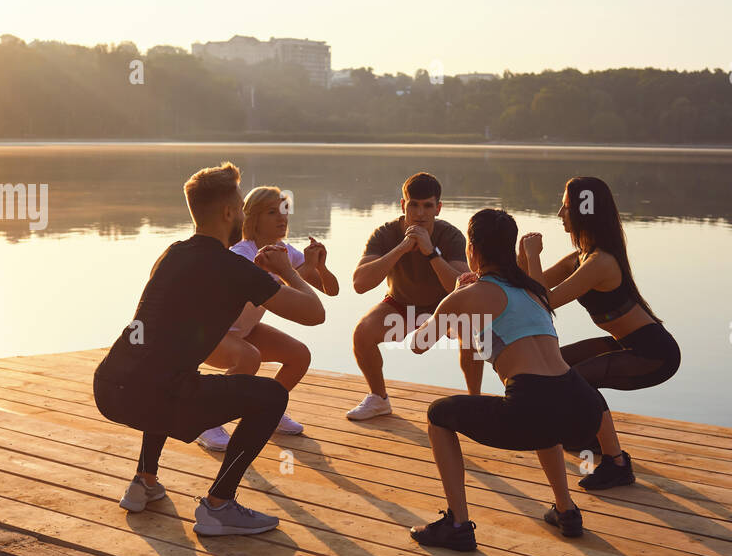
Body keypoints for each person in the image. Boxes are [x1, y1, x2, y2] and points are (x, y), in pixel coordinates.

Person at [92, 163, 325, 536]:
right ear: (229, 213)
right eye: (240, 207)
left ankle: (144, 481)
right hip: (152, 396)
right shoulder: (233, 267)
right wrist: (289, 271)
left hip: (108, 387)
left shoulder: (171, 253)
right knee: (268, 396)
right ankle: (219, 505)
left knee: (166, 375)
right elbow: (315, 314)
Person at [407, 208, 607, 550]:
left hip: (533, 402)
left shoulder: (467, 296)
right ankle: (566, 510)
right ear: (509, 247)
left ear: (472, 249)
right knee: (545, 414)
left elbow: (418, 344)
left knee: (437, 415)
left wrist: (452, 297)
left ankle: (456, 523)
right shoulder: (533, 292)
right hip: (585, 407)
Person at [519, 176, 680, 491]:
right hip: (624, 344)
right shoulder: (579, 258)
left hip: (654, 354)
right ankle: (591, 438)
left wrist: (534, 256)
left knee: (577, 380)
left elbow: (543, 302)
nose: (559, 215)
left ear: (584, 211)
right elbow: (529, 287)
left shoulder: (600, 262)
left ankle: (617, 463)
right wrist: (515, 262)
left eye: (565, 208)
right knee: (555, 363)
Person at [195, 185, 339, 450]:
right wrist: (297, 270)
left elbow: (331, 289)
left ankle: (265, 410)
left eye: (284, 210)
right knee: (249, 357)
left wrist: (319, 265)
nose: (282, 218)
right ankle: (205, 421)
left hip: (244, 329)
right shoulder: (241, 253)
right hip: (210, 335)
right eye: (272, 212)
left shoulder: (283, 251)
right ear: (253, 219)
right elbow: (279, 296)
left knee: (299, 356)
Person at [347, 172, 481, 419]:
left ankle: (475, 403)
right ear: (403, 205)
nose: (420, 213)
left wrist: (431, 253)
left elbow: (464, 290)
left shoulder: (450, 235)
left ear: (438, 208)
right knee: (362, 332)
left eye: (427, 206)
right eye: (414, 205)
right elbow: (360, 284)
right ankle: (379, 399)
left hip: (444, 307)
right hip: (401, 304)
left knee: (471, 329)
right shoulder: (385, 233)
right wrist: (400, 248)